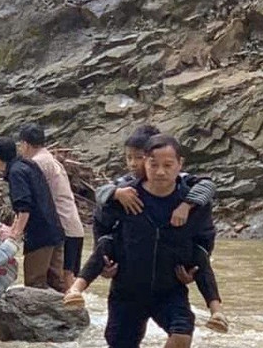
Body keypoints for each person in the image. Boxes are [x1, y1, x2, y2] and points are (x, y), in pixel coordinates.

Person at [95, 134, 217, 348]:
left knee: (183, 330)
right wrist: (102, 262)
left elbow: (203, 238)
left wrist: (193, 269)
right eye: (138, 159)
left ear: (178, 163)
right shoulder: (124, 192)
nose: (137, 165)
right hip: (127, 288)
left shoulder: (190, 192)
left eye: (166, 164)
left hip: (169, 284)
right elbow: (101, 222)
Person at [87, 125, 227, 332]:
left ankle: (217, 311)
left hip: (185, 254)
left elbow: (208, 186)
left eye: (139, 157)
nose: (134, 164)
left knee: (199, 260)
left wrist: (186, 205)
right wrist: (116, 193)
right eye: (129, 158)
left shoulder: (181, 182)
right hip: (134, 272)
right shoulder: (128, 185)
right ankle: (76, 289)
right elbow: (101, 200)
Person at [0, 137, 65, 292]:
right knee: (56, 284)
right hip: (54, 231)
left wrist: (15, 234)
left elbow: (24, 207)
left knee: (35, 285)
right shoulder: (27, 164)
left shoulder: (16, 173)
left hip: (40, 237)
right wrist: (13, 228)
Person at [17, 124, 85, 291]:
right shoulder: (50, 160)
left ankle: (74, 315)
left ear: (25, 144)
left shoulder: (37, 164)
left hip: (62, 228)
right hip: (73, 226)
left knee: (64, 282)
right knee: (67, 280)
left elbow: (30, 200)